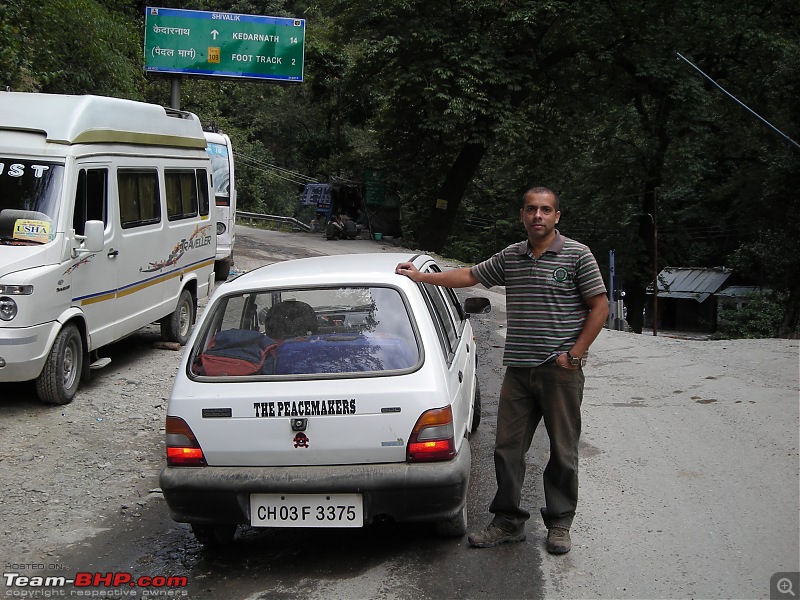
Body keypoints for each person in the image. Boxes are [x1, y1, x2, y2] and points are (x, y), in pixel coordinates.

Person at [395, 186, 608, 554]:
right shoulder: (513, 256)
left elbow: (600, 307)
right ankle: (508, 521)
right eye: (531, 210)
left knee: (563, 450)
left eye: (545, 210)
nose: (537, 216)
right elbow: (470, 276)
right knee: (507, 449)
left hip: (560, 372)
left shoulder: (577, 255)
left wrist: (573, 355)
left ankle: (559, 523)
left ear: (557, 216)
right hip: (519, 372)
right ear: (522, 215)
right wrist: (421, 277)